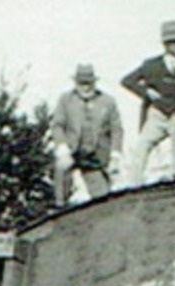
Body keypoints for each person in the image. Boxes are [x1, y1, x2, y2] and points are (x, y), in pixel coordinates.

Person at [120, 20, 175, 186]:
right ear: (165, 44)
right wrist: (147, 92)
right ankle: (134, 184)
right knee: (142, 147)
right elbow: (127, 80)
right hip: (158, 114)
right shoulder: (151, 65)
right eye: (172, 41)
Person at [52, 64, 124, 206]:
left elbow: (117, 129)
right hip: (72, 152)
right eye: (81, 83)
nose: (85, 87)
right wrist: (62, 148)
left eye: (88, 83)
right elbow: (57, 125)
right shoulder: (65, 100)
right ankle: (60, 207)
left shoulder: (108, 101)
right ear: (75, 83)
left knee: (102, 200)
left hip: (95, 157)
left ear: (94, 83)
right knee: (61, 170)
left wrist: (115, 157)